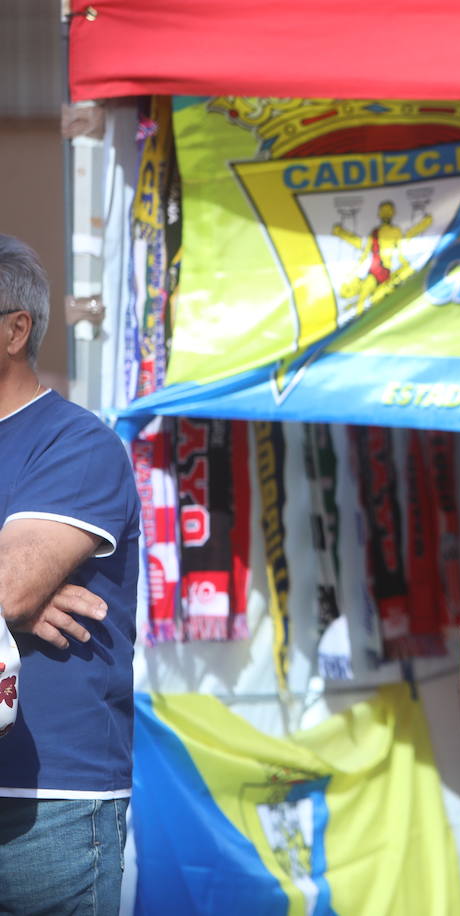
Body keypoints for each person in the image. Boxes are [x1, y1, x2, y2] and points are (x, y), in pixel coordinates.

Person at [0, 234, 142, 914]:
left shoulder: (77, 442)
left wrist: (17, 599)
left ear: (15, 330)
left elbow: (11, 587)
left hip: (48, 801)